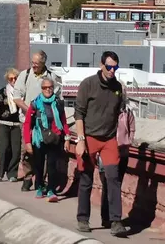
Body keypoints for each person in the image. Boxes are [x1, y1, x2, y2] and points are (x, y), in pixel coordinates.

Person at [74, 51, 128, 236]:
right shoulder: (88, 84)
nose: (112, 70)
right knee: (86, 178)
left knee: (113, 178)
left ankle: (115, 221)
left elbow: (119, 113)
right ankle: (83, 219)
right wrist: (80, 140)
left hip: (109, 139)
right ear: (101, 65)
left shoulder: (118, 88)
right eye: (109, 67)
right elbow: (79, 113)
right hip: (89, 137)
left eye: (115, 67)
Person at [13, 50, 60, 191]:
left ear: (43, 63)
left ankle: (41, 180)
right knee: (27, 150)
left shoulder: (52, 77)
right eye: (32, 63)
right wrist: (29, 111)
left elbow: (57, 99)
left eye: (37, 64)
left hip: (46, 123)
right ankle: (27, 177)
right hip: (28, 120)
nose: (33, 66)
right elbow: (16, 97)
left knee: (44, 151)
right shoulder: (25, 75)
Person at [23, 77, 69, 202]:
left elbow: (64, 122)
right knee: (38, 165)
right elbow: (27, 124)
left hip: (55, 137)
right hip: (39, 138)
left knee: (52, 165)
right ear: (41, 89)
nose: (48, 90)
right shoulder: (35, 103)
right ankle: (40, 186)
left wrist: (68, 138)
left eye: (50, 87)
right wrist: (27, 142)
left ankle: (51, 190)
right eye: (45, 87)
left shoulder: (58, 103)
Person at [0, 68, 22, 182]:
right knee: (3, 149)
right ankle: (0, 172)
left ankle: (12, 174)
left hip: (17, 124)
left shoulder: (22, 93)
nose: (13, 80)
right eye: (11, 78)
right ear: (7, 79)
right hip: (4, 123)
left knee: (16, 150)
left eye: (16, 78)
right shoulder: (2, 92)